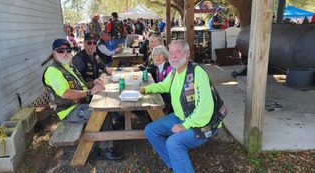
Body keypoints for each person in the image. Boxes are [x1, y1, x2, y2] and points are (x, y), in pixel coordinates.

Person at [141, 40, 221, 173]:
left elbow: (205, 108)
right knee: (150, 130)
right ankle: (176, 164)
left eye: (178, 52)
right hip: (181, 116)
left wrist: (186, 125)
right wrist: (147, 89)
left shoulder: (196, 72)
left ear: (187, 54)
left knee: (173, 143)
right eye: (171, 53)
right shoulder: (174, 71)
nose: (173, 56)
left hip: (203, 123)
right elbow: (164, 86)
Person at [42, 39, 122, 160]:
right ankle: (105, 149)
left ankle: (106, 134)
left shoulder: (68, 66)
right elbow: (66, 94)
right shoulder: (53, 71)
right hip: (69, 111)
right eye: (60, 50)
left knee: (107, 104)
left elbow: (82, 85)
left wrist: (93, 83)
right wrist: (90, 92)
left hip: (81, 104)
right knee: (101, 112)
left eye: (68, 50)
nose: (65, 53)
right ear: (54, 53)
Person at [147, 45, 173, 113]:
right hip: (164, 96)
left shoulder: (169, 68)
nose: (157, 57)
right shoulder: (158, 68)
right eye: (155, 55)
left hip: (170, 102)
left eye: (160, 55)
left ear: (164, 56)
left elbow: (168, 88)